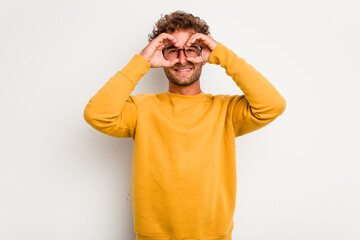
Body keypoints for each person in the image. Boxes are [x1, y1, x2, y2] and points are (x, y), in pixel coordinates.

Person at [84, 11, 286, 240]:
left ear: (204, 53)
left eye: (190, 49)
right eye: (172, 50)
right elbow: (97, 114)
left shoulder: (225, 110)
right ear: (160, 54)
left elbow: (272, 105)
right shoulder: (141, 108)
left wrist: (222, 55)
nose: (182, 59)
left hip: (213, 236)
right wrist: (142, 61)